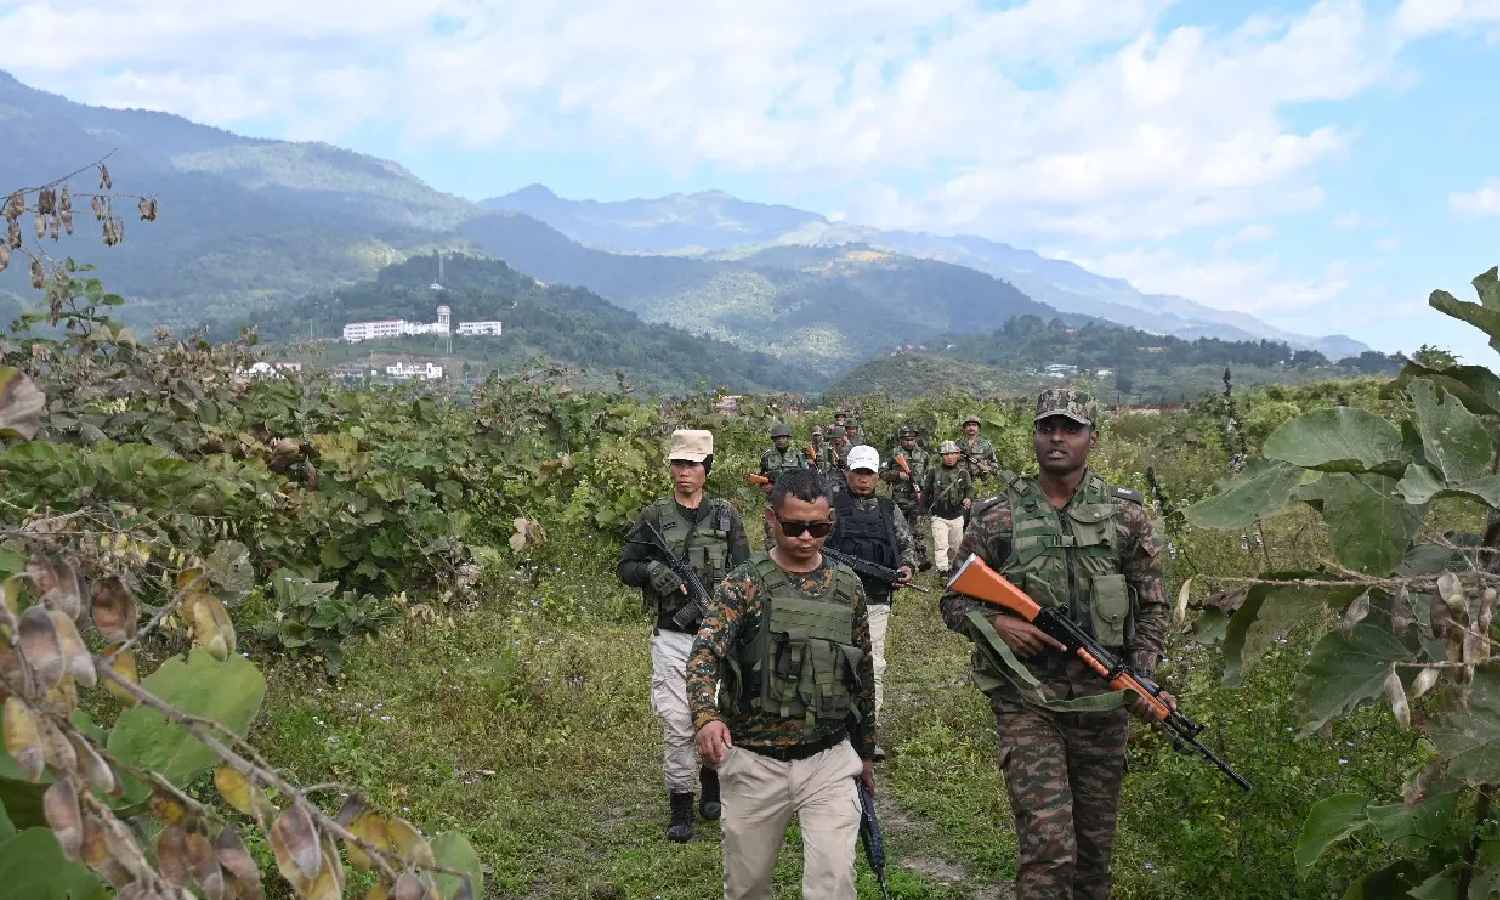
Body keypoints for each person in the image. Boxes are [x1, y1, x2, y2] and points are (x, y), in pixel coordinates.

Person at [938, 389, 1170, 900]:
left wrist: (1142, 677)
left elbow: (1153, 604)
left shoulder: (1125, 516)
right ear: (1034, 436)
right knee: (1049, 849)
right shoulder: (999, 517)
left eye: (1070, 428)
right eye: (1047, 428)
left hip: (1103, 703)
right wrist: (998, 624)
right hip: (1027, 702)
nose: (1057, 438)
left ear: (1093, 438)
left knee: (1093, 856)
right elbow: (953, 601)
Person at [689, 469, 876, 900]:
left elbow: (862, 674)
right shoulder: (744, 583)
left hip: (828, 758)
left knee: (834, 882)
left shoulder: (848, 587)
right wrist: (706, 717)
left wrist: (866, 752)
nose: (806, 537)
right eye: (794, 527)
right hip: (756, 762)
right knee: (748, 886)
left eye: (818, 527)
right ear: (771, 519)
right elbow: (704, 653)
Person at [618, 429, 751, 843]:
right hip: (673, 636)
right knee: (678, 723)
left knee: (716, 716)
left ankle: (712, 790)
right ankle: (680, 803)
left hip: (719, 638)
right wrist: (652, 571)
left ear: (706, 468)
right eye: (678, 463)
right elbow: (626, 567)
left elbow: (747, 574)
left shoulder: (726, 516)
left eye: (692, 464)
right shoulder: (654, 517)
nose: (683, 472)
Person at [827, 445, 915, 740]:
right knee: (832, 662)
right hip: (832, 599)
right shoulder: (829, 506)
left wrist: (907, 568)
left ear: (878, 476)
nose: (863, 479)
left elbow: (906, 546)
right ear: (847, 473)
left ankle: (867, 732)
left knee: (873, 664)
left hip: (876, 600)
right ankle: (832, 730)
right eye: (858, 473)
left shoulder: (889, 509)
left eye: (869, 473)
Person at [881, 425, 932, 572]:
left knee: (917, 530)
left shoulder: (924, 455)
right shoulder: (894, 454)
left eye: (911, 439)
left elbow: (930, 475)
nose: (909, 442)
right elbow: (881, 473)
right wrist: (898, 475)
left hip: (917, 498)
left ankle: (921, 560)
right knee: (899, 530)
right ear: (901, 440)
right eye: (906, 439)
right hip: (899, 499)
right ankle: (899, 560)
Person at [921, 440, 972, 574]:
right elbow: (926, 492)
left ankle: (955, 571)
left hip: (957, 516)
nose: (949, 457)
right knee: (941, 546)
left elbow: (969, 488)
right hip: (939, 516)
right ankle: (942, 572)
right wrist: (923, 511)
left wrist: (968, 498)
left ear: (958, 455)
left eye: (953, 453)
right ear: (941, 455)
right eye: (946, 454)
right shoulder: (933, 472)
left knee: (957, 547)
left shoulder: (963, 472)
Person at [957, 414, 1002, 486]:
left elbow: (995, 465)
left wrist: (987, 468)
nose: (971, 428)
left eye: (974, 425)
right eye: (968, 425)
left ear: (978, 428)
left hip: (980, 484)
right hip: (962, 484)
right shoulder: (957, 444)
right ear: (964, 428)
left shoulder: (985, 445)